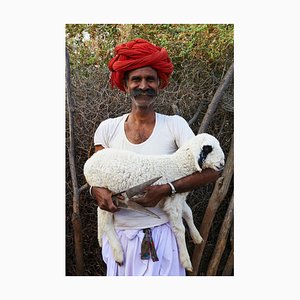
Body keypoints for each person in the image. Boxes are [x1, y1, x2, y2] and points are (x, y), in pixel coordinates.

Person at [90, 38, 220, 276]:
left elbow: (212, 170)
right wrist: (94, 191)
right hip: (121, 238)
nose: (143, 85)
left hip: (164, 235)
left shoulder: (175, 126)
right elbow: (97, 175)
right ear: (126, 85)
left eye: (150, 79)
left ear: (159, 84)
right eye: (136, 79)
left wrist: (166, 189)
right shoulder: (107, 129)